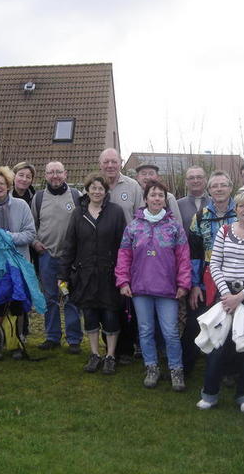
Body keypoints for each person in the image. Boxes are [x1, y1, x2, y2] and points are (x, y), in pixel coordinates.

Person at [197, 187, 244, 413]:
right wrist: (227, 296)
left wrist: (240, 297)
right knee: (217, 342)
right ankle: (209, 394)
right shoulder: (224, 232)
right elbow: (215, 265)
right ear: (236, 208)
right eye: (241, 205)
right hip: (225, 293)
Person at [115, 180, 191, 391]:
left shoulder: (175, 227)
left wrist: (184, 284)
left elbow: (184, 258)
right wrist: (123, 281)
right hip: (140, 289)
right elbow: (123, 256)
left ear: (165, 200)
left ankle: (176, 369)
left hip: (168, 290)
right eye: (153, 195)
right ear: (145, 198)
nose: (156, 198)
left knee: (170, 332)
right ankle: (152, 367)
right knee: (145, 330)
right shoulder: (134, 226)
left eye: (160, 195)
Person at [58, 173, 126, 374]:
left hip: (109, 274)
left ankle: (111, 356)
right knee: (89, 316)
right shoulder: (78, 214)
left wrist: (123, 275)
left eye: (101, 188)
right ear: (87, 190)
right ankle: (95, 354)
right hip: (84, 275)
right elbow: (69, 245)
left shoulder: (116, 212)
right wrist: (62, 275)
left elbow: (124, 246)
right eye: (93, 188)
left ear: (106, 192)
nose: (97, 192)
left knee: (110, 315)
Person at [0, 166, 36, 361]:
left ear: (8, 185)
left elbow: (30, 234)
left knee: (18, 306)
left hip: (20, 266)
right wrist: (0, 239)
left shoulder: (22, 206)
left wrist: (8, 237)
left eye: (1, 184)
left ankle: (18, 340)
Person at [184, 170, 237, 375]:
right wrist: (195, 284)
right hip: (207, 278)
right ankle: (185, 367)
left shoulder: (241, 213)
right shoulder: (200, 217)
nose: (219, 189)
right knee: (195, 321)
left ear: (230, 187)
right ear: (209, 190)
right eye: (215, 186)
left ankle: (230, 370)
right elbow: (194, 253)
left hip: (235, 278)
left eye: (223, 185)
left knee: (231, 325)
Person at [31, 161, 83, 353]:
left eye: (58, 172)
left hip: (70, 259)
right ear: (45, 176)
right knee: (50, 298)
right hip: (47, 257)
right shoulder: (38, 198)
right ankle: (52, 336)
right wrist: (35, 243)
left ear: (65, 174)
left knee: (71, 298)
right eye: (51, 172)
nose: (55, 176)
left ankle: (74, 339)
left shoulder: (77, 196)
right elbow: (31, 226)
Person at [99, 147, 144, 363]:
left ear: (120, 162)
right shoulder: (95, 186)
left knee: (127, 301)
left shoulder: (133, 186)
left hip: (129, 254)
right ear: (101, 165)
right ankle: (109, 347)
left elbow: (142, 218)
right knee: (107, 301)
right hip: (103, 254)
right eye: (106, 162)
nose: (110, 165)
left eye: (113, 161)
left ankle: (128, 347)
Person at [177, 165, 208, 231]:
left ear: (205, 180)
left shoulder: (215, 203)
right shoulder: (178, 205)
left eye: (199, 177)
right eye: (191, 178)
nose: (195, 181)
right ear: (186, 182)